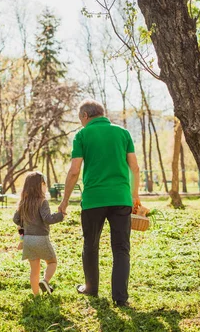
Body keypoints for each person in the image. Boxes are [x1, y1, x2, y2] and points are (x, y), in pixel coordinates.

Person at [58, 99, 140, 307]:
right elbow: (135, 168)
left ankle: (91, 288)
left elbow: (74, 170)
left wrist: (64, 202)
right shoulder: (123, 133)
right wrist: (135, 195)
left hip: (94, 200)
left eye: (80, 119)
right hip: (121, 199)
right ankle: (120, 298)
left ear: (85, 116)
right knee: (121, 248)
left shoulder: (82, 135)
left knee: (91, 245)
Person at [13, 171, 65, 295]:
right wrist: (60, 215)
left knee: (34, 271)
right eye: (44, 183)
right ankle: (45, 281)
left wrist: (22, 240)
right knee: (52, 262)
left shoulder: (22, 203)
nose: (46, 185)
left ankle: (36, 295)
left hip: (28, 241)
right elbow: (48, 218)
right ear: (40, 185)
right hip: (41, 239)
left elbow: (16, 220)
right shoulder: (42, 202)